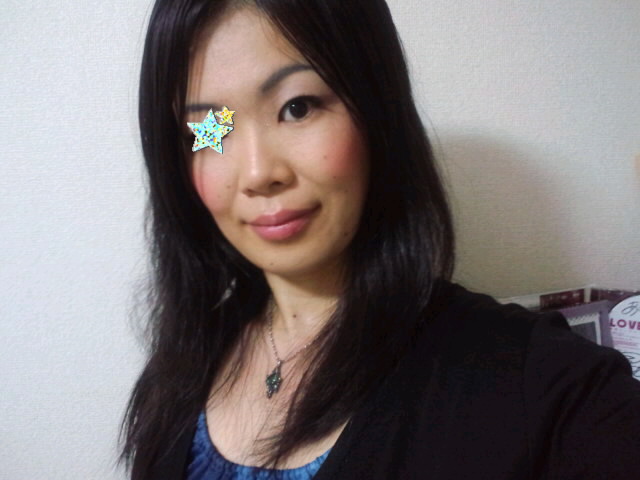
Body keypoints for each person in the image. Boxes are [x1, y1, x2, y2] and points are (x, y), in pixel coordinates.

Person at [119, 1, 640, 479]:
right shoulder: (186, 362)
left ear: (377, 113)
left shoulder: (536, 382)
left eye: (298, 107)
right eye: (211, 129)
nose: (258, 173)